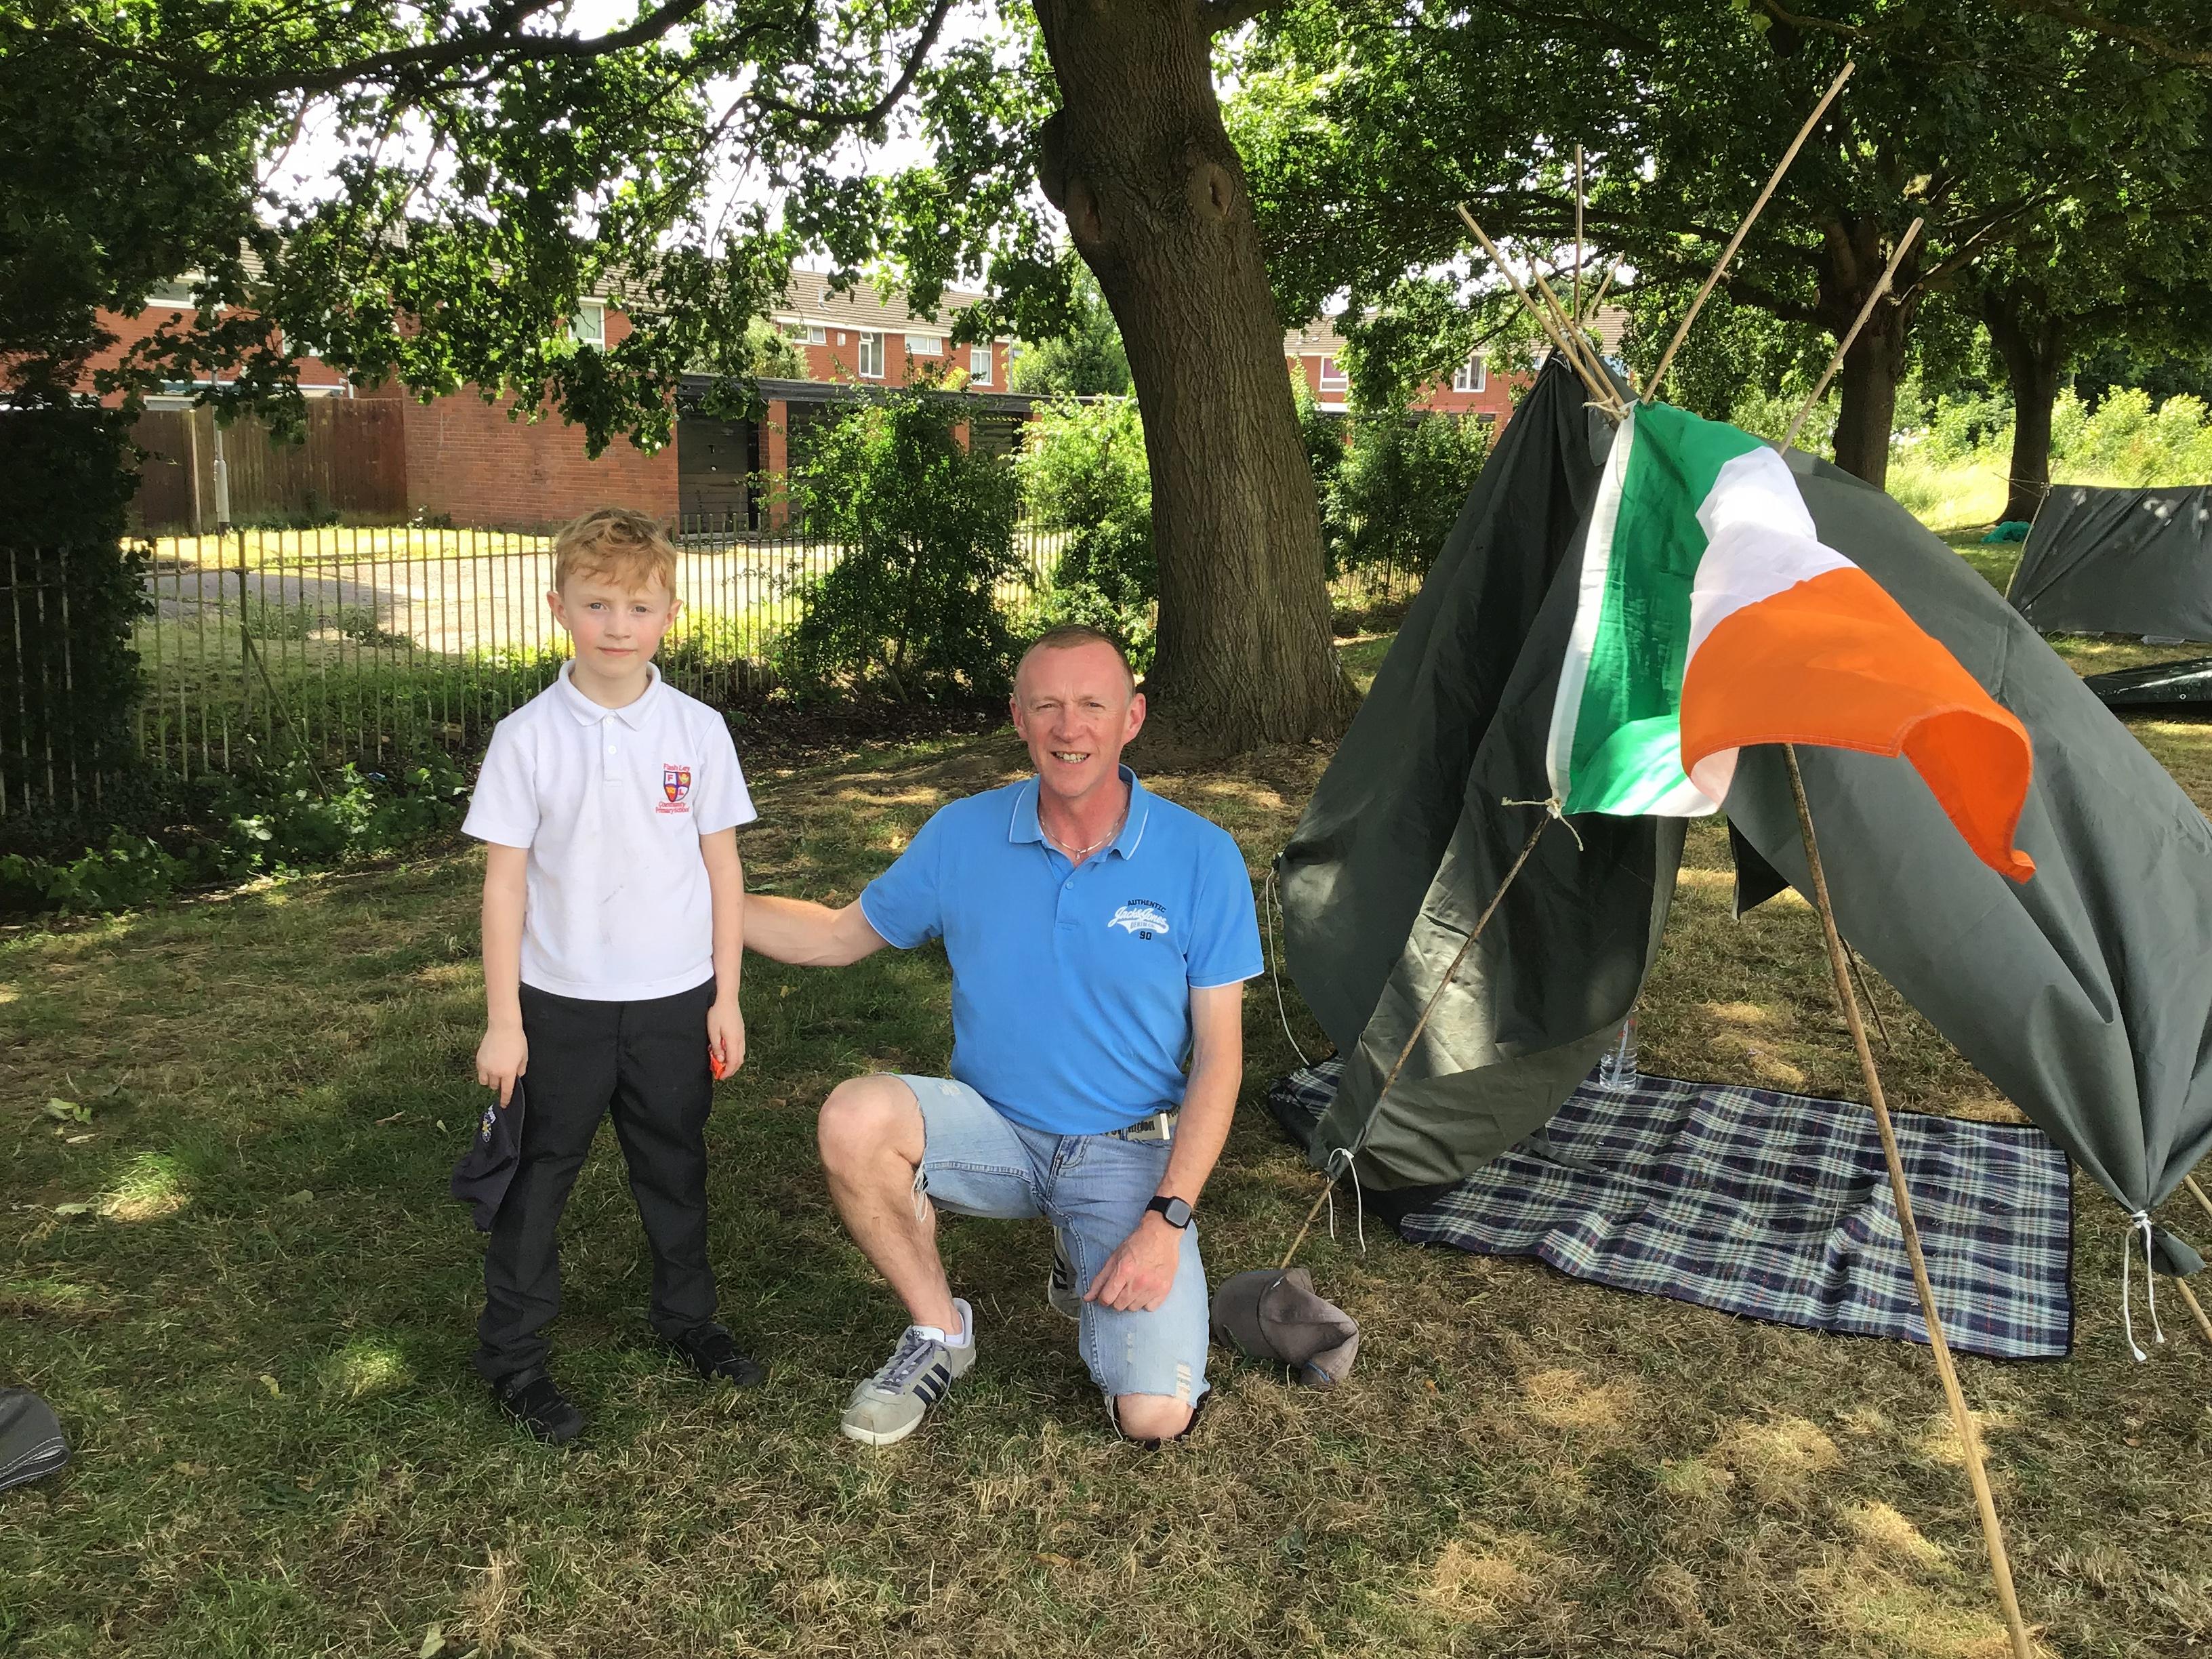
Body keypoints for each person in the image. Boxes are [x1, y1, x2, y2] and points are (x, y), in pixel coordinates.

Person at [744, 626, 1263, 1448]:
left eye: (1092, 705)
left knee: (1155, 1416)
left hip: (1126, 1152)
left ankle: (1085, 1240)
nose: (1069, 727)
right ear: (1017, 718)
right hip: (997, 1130)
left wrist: (1165, 1222)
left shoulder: (1203, 856)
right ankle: (940, 1333)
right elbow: (835, 937)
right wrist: (705, 900)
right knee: (854, 1118)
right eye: (1046, 705)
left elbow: (1221, 1061)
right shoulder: (962, 834)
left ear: (1132, 717)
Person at [462, 506, 764, 1445]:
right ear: (559, 608)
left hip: (675, 1001)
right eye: (597, 605)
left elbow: (722, 869)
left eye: (638, 607)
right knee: (537, 1177)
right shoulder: (526, 737)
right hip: (559, 1006)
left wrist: (726, 995)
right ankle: (514, 1356)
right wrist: (503, 1019)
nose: (617, 626)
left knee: (674, 1163)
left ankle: (688, 1320)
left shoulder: (698, 731)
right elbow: (505, 886)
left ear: (669, 614)